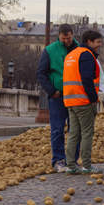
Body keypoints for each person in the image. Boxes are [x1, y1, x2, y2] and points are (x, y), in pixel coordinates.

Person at [36, 23, 78, 172]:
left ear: (72, 35)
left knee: (75, 130)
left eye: (68, 38)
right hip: (58, 96)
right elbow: (41, 73)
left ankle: (72, 160)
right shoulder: (50, 50)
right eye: (63, 38)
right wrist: (51, 91)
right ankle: (58, 160)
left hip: (75, 96)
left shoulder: (79, 50)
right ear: (59, 36)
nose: (66, 41)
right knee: (57, 129)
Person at [62, 30, 102, 175]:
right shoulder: (86, 55)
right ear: (89, 41)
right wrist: (93, 99)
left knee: (74, 134)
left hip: (70, 100)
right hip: (83, 100)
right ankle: (86, 165)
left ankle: (71, 165)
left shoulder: (71, 55)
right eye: (97, 42)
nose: (100, 45)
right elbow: (86, 78)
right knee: (86, 133)